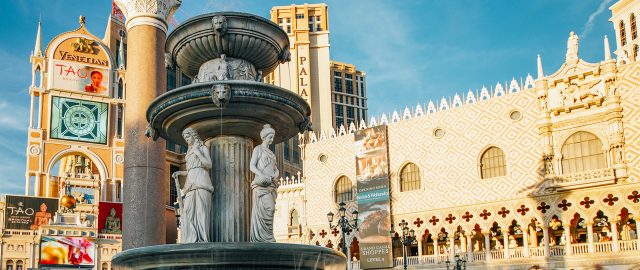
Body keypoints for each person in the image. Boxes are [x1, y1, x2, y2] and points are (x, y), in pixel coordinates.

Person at [171, 128, 214, 243]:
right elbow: (190, 170)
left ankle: (202, 239)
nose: (187, 140)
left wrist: (198, 152)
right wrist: (180, 173)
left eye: (188, 137)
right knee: (187, 211)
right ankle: (191, 239)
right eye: (185, 138)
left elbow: (208, 164)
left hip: (202, 182)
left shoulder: (202, 148)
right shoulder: (188, 153)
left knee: (201, 212)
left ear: (194, 136)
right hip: (190, 183)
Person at [249, 124, 279, 242]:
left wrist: (275, 174)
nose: (271, 139)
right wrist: (261, 174)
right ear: (264, 137)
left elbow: (275, 168)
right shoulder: (258, 149)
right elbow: (252, 165)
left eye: (272, 137)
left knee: (271, 210)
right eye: (270, 137)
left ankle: (268, 236)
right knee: (269, 208)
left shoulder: (271, 154)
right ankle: (261, 237)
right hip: (262, 184)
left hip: (271, 184)